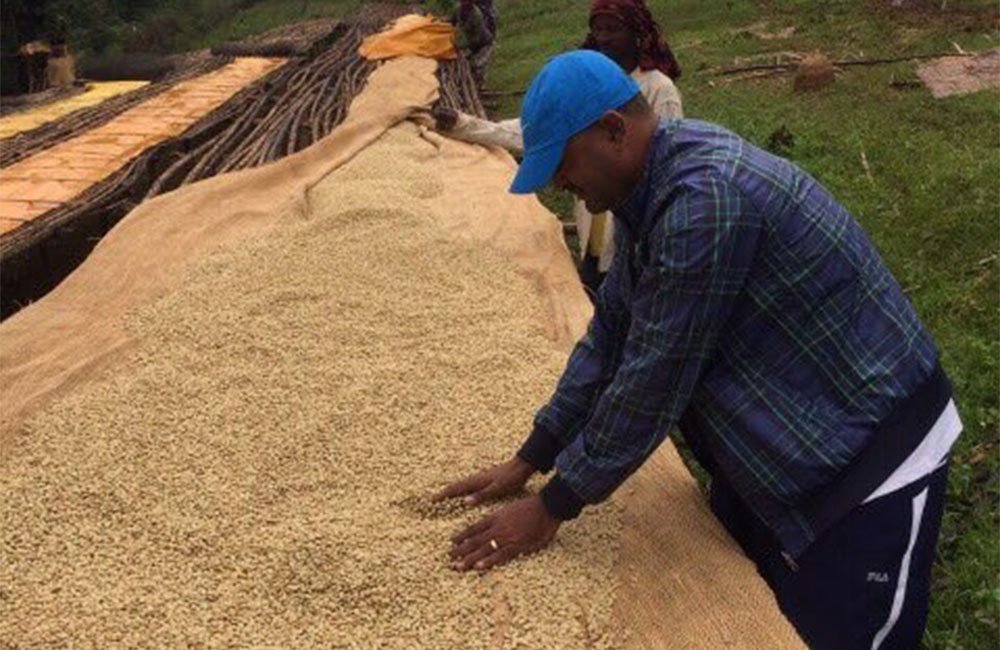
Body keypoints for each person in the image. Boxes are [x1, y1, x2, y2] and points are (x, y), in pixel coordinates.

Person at [435, 51, 962, 650]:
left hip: (869, 454)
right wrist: (532, 455)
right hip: (786, 429)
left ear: (613, 130)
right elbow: (612, 332)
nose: (560, 184)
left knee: (846, 632)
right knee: (766, 609)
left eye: (564, 163)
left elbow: (654, 376)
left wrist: (553, 505)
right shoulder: (645, 185)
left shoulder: (705, 201)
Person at [435, 0, 683, 299]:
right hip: (596, 241)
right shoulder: (585, 83)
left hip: (635, 244)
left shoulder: (658, 90)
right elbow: (535, 134)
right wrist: (464, 124)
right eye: (597, 29)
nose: (603, 37)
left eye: (613, 29)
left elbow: (665, 167)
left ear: (638, 34)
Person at [451, 0, 498, 89]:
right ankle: (474, 85)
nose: (463, 3)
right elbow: (452, 22)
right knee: (470, 64)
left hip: (484, 44)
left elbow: (477, 39)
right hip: (472, 43)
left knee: (478, 65)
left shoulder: (476, 15)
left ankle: (480, 87)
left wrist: (463, 46)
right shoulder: (458, 10)